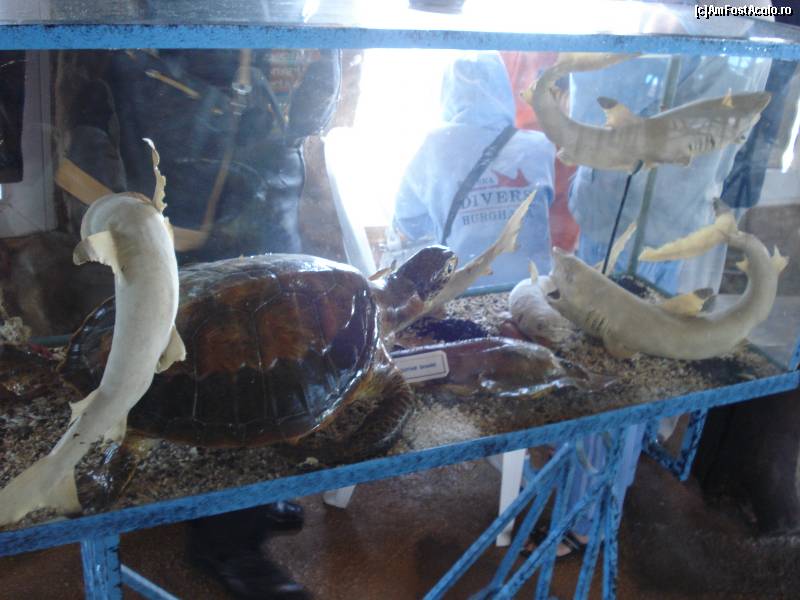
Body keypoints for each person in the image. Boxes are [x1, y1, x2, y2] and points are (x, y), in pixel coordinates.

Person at [557, 0, 773, 555]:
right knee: (611, 360)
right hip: (629, 218)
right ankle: (597, 490)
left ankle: (588, 513)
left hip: (649, 225)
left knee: (618, 368)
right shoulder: (714, 31)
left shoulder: (722, 28)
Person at [392, 51, 556, 289]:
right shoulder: (539, 146)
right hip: (533, 289)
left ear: (448, 91)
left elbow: (408, 223)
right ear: (503, 87)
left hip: (465, 290)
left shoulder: (434, 147)